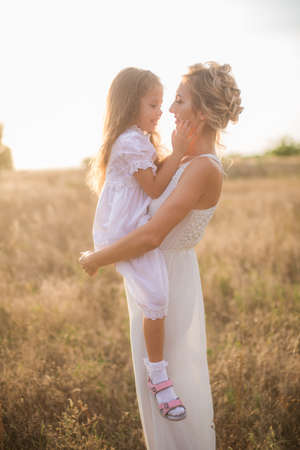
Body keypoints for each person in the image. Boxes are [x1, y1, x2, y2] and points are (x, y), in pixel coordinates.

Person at [80, 61, 243, 449]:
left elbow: (152, 235)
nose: (169, 109)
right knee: (157, 396)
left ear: (200, 114)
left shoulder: (204, 168)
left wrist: (97, 258)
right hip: (151, 275)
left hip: (171, 282)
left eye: (178, 100)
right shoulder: (180, 158)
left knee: (176, 385)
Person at [83, 67, 191, 420]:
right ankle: (158, 376)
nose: (160, 111)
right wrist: (178, 153)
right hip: (124, 231)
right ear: (131, 105)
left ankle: (97, 258)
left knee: (155, 296)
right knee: (157, 298)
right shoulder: (130, 141)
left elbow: (154, 177)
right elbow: (155, 188)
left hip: (130, 224)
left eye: (161, 104)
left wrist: (174, 156)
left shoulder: (136, 138)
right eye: (153, 104)